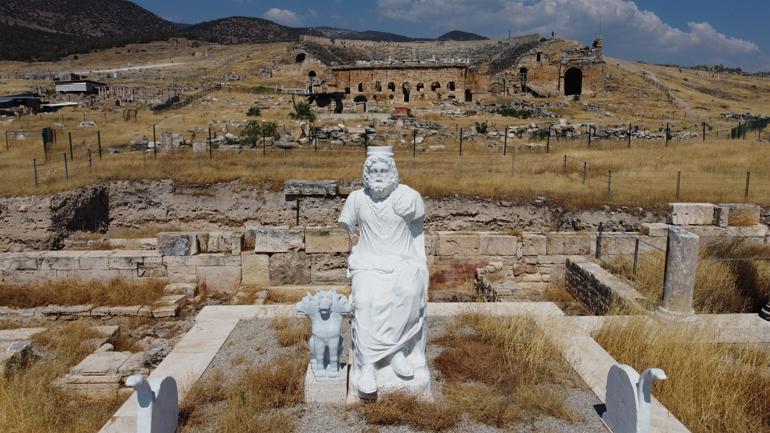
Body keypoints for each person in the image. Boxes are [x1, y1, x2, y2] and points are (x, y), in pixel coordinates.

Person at [338, 146, 429, 396]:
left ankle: (396, 352)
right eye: (374, 170)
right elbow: (346, 229)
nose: (378, 174)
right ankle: (368, 365)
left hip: (402, 261)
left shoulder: (409, 197)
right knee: (365, 301)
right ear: (366, 173)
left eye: (383, 170)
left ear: (392, 172)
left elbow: (418, 226)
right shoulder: (356, 199)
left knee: (409, 292)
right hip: (368, 262)